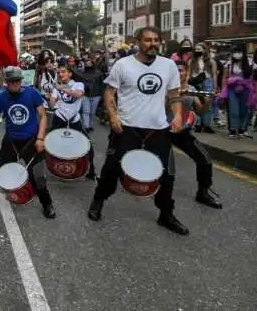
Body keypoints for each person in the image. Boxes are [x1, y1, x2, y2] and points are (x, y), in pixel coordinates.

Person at [87, 27, 189, 235]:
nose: (152, 44)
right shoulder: (123, 65)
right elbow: (109, 92)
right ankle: (98, 201)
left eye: (156, 40)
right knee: (111, 168)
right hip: (127, 127)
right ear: (138, 41)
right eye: (147, 40)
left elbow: (174, 95)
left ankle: (166, 214)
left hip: (158, 129)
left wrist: (178, 115)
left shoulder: (168, 65)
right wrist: (113, 116)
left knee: (166, 174)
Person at [0, 66, 55, 219]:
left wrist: (41, 138)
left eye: (16, 81)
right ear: (6, 82)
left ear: (21, 81)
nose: (14, 84)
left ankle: (47, 203)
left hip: (32, 141)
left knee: (37, 176)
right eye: (11, 81)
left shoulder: (32, 93)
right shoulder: (2, 97)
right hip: (11, 141)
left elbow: (42, 116)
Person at [172, 61, 222, 209]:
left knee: (204, 160)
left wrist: (210, 99)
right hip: (164, 129)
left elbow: (201, 110)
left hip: (182, 131)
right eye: (177, 70)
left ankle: (203, 193)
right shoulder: (166, 87)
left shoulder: (192, 89)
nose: (180, 73)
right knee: (164, 167)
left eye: (182, 70)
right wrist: (177, 95)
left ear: (187, 72)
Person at [47, 64, 96, 179]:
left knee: (87, 143)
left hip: (74, 119)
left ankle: (91, 170)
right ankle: (52, 167)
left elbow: (78, 94)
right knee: (50, 142)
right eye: (59, 72)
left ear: (70, 73)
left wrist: (61, 88)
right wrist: (49, 98)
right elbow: (52, 105)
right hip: (59, 118)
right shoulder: (57, 87)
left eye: (63, 72)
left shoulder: (78, 84)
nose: (60, 74)